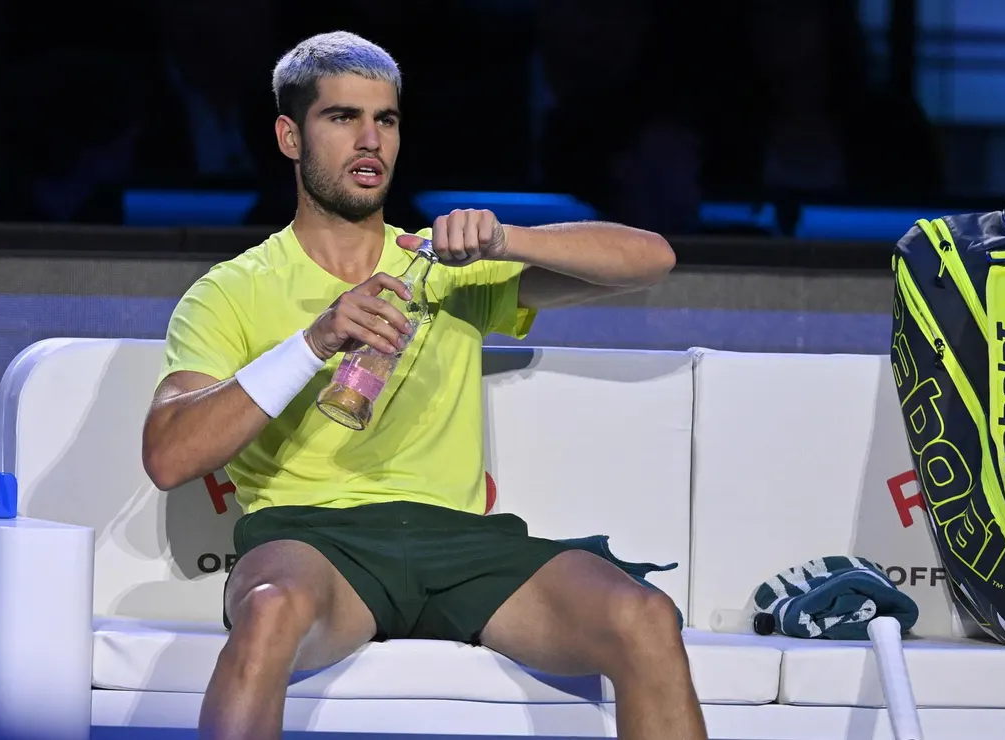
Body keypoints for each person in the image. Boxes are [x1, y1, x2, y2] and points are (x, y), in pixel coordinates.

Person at [142, 31, 704, 740]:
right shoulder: (231, 290)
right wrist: (314, 341)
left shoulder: (442, 266)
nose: (370, 139)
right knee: (269, 607)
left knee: (643, 616)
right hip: (316, 541)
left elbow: (652, 258)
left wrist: (507, 240)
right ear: (290, 136)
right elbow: (169, 455)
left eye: (386, 120)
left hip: (462, 543)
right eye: (343, 118)